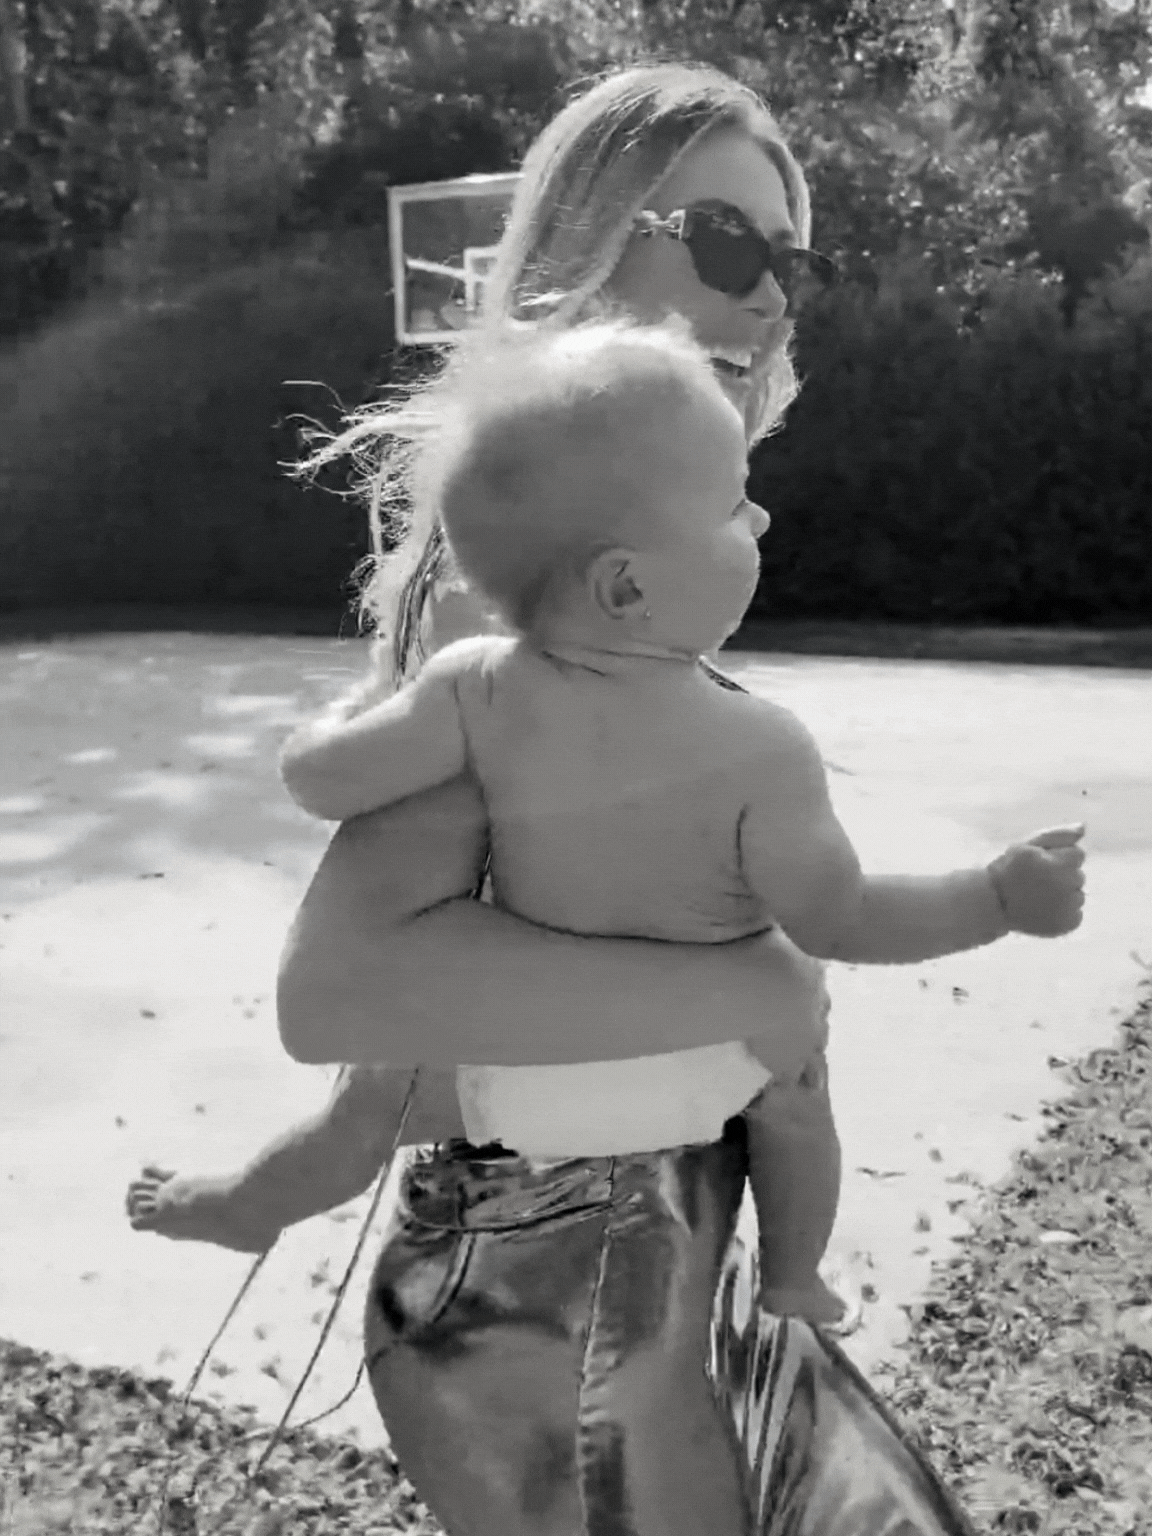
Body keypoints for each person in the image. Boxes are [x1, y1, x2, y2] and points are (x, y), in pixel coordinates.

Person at [126, 62, 1083, 1534]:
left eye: (792, 257)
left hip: (668, 1237)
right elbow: (348, 994)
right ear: (582, 247)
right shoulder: (504, 621)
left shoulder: (635, 566)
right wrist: (752, 987)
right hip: (561, 1270)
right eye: (723, 241)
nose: (772, 293)